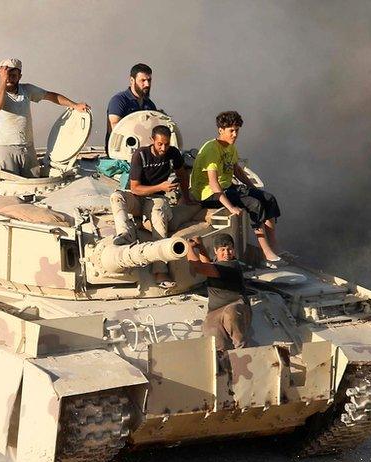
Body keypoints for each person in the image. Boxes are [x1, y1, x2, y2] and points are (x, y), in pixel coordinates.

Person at [189, 111, 282, 263]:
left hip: (227, 187)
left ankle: (274, 245)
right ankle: (266, 252)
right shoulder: (211, 149)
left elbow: (237, 170)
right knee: (254, 204)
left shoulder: (230, 147)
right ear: (221, 130)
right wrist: (231, 207)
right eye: (231, 130)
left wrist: (254, 189)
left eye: (237, 130)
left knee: (268, 198)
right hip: (208, 194)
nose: (234, 134)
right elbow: (213, 183)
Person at [110, 125, 188, 288]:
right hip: (140, 197)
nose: (163, 148)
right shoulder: (141, 155)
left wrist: (185, 197)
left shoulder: (173, 153)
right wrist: (161, 186)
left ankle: (160, 271)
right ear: (152, 140)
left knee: (158, 221)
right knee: (117, 197)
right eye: (160, 144)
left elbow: (182, 175)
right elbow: (135, 188)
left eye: (166, 144)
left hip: (157, 199)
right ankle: (125, 234)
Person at [0, 58, 89, 177]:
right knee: (11, 184)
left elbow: (51, 96)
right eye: (6, 75)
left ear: (20, 76)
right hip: (6, 149)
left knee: (33, 182)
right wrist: (2, 81)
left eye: (13, 75)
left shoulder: (27, 90)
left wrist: (75, 105)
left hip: (28, 148)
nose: (9, 78)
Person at [187, 234, 252, 351]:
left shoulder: (231, 266)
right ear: (215, 251)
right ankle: (221, 361)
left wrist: (188, 248)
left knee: (230, 313)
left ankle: (242, 351)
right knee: (213, 336)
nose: (227, 253)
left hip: (237, 308)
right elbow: (208, 264)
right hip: (215, 312)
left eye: (230, 249)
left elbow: (199, 268)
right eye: (222, 250)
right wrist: (200, 247)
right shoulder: (217, 265)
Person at [106, 63, 158, 150]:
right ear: (132, 80)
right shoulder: (119, 100)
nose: (147, 84)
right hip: (121, 152)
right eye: (143, 80)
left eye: (149, 80)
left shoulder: (149, 104)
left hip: (143, 153)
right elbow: (114, 128)